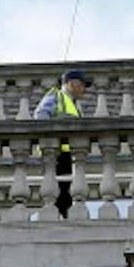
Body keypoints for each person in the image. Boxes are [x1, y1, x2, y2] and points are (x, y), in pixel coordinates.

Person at [35, 69, 91, 218]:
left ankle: (64, 216)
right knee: (58, 190)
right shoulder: (56, 95)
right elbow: (41, 116)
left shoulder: (74, 104)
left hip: (69, 154)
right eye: (82, 85)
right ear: (71, 83)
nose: (83, 89)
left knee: (67, 190)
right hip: (57, 154)